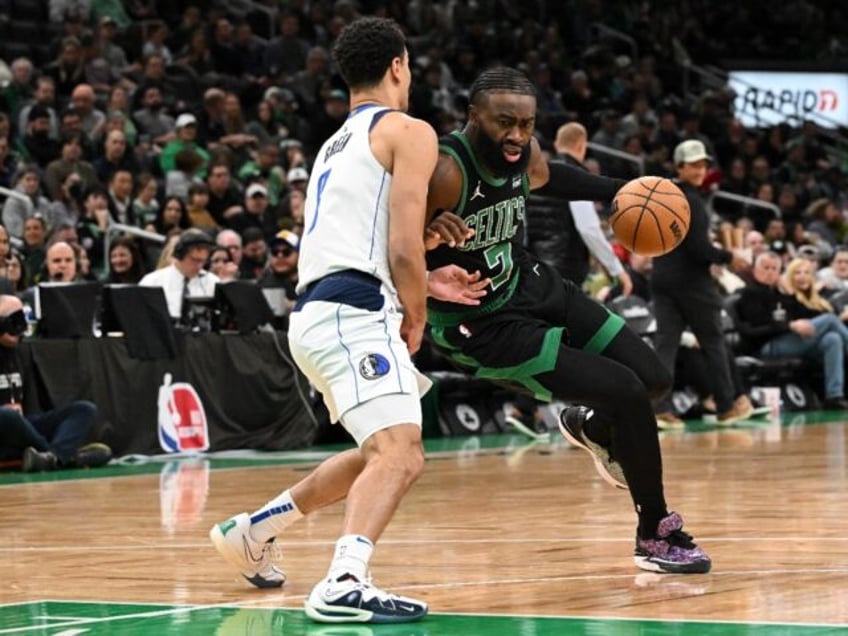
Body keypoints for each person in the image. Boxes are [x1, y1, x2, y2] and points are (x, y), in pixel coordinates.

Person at [210, 17, 488, 625]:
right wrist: (418, 311)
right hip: (353, 311)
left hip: (319, 311)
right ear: (398, 67)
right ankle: (343, 580)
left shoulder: (335, 143)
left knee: (376, 453)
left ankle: (254, 530)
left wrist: (421, 272)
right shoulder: (410, 131)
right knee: (402, 454)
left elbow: (382, 240)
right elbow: (400, 250)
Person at [423, 67, 711, 574]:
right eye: (503, 122)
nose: (515, 135)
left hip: (530, 281)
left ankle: (590, 425)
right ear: (473, 115)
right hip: (484, 324)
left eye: (526, 123)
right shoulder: (446, 171)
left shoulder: (522, 154)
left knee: (654, 379)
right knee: (624, 391)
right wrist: (425, 269)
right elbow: (383, 242)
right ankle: (655, 533)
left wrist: (629, 188)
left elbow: (551, 177)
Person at [650, 139, 752, 427]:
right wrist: (729, 257)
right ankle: (725, 406)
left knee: (665, 345)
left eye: (703, 164)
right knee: (713, 343)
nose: (699, 170)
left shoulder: (663, 195)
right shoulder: (691, 199)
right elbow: (698, 249)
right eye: (693, 165)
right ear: (679, 167)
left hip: (662, 276)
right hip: (692, 282)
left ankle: (659, 408)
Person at [0, 294, 111, 472]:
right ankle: (63, 457)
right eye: (14, 322)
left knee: (84, 409)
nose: (20, 330)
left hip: (21, 430)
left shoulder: (18, 352)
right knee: (7, 415)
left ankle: (51, 457)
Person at [733, 251, 848, 410]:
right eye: (766, 268)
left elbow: (802, 314)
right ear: (755, 270)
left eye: (774, 269)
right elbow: (757, 327)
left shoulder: (779, 293)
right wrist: (790, 326)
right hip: (765, 345)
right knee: (830, 320)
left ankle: (834, 396)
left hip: (788, 340)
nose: (770, 272)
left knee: (832, 339)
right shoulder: (749, 293)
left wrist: (790, 295)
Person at [138, 229, 219, 321]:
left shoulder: (213, 282)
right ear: (179, 255)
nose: (199, 266)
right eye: (194, 260)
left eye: (202, 261)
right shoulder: (152, 282)